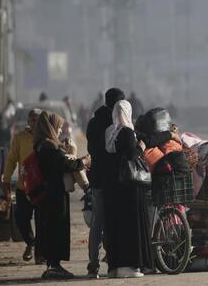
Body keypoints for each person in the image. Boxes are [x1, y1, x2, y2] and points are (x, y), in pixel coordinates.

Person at [34, 111, 91, 279]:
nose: (59, 131)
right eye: (58, 128)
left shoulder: (43, 145)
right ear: (50, 127)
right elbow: (66, 165)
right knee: (56, 229)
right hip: (54, 195)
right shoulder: (48, 146)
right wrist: (84, 162)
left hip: (49, 194)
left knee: (51, 228)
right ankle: (54, 266)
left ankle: (53, 264)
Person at [104, 100, 154, 278]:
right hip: (129, 187)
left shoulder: (110, 132)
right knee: (131, 225)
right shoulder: (126, 132)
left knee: (116, 225)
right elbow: (131, 155)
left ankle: (115, 266)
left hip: (114, 186)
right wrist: (140, 148)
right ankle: (131, 265)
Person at [85, 88, 125, 279]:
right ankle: (113, 259)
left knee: (97, 222)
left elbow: (91, 148)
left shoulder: (93, 122)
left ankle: (93, 264)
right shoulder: (117, 122)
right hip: (113, 179)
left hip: (97, 178)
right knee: (114, 220)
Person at [2, 108, 44, 264]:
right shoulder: (20, 138)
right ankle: (30, 242)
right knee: (21, 218)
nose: (35, 123)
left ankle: (40, 253)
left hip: (41, 188)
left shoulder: (47, 137)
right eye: (33, 120)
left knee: (41, 221)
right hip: (23, 187)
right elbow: (12, 159)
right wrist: (6, 178)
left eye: (38, 120)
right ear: (28, 122)